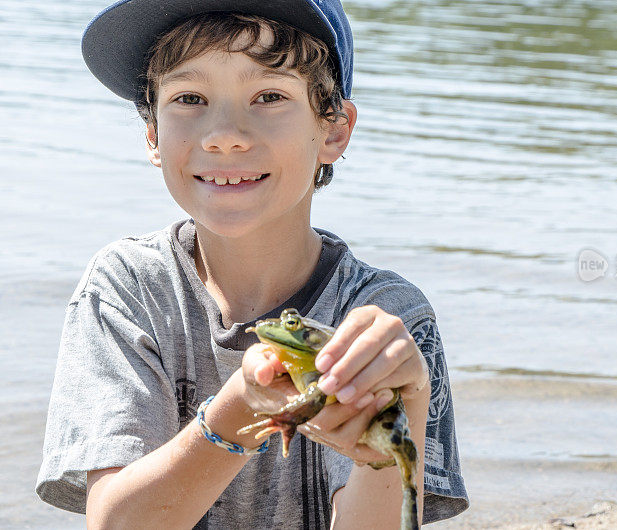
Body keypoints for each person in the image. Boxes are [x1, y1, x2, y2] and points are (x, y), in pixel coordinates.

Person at [35, 1, 468, 528]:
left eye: (269, 95)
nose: (224, 134)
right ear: (152, 133)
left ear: (333, 129)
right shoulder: (126, 288)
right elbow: (117, 522)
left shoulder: (388, 320)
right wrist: (243, 404)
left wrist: (409, 405)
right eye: (189, 98)